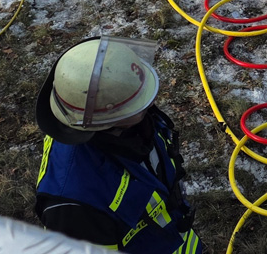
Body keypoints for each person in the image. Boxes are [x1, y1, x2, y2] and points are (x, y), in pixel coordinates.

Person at [34, 37, 203, 253]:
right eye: (135, 102)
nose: (149, 100)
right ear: (106, 117)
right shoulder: (77, 207)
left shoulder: (134, 126)